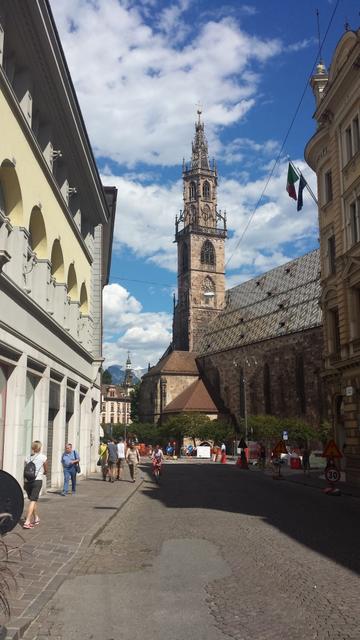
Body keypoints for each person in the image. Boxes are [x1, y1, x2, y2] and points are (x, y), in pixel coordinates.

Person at [23, 441, 48, 529]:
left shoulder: (27, 457)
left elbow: (26, 469)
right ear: (40, 448)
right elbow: (46, 469)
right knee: (33, 500)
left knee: (32, 500)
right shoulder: (43, 457)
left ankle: (36, 518)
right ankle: (27, 521)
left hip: (27, 482)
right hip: (37, 481)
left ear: (32, 448)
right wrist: (45, 472)